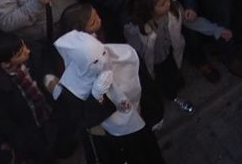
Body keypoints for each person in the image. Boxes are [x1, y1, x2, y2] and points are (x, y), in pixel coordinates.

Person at [53, 24, 165, 164]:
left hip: (139, 124)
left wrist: (154, 114)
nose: (104, 61)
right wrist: (96, 96)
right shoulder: (71, 86)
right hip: (109, 141)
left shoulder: (121, 54)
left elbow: (143, 84)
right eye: (95, 61)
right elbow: (79, 120)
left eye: (103, 53)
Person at [0, 32, 71, 164]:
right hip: (31, 131)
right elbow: (4, 120)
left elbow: (44, 67)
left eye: (24, 47)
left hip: (49, 114)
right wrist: (23, 142)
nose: (27, 51)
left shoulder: (33, 55)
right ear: (6, 64)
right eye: (20, 54)